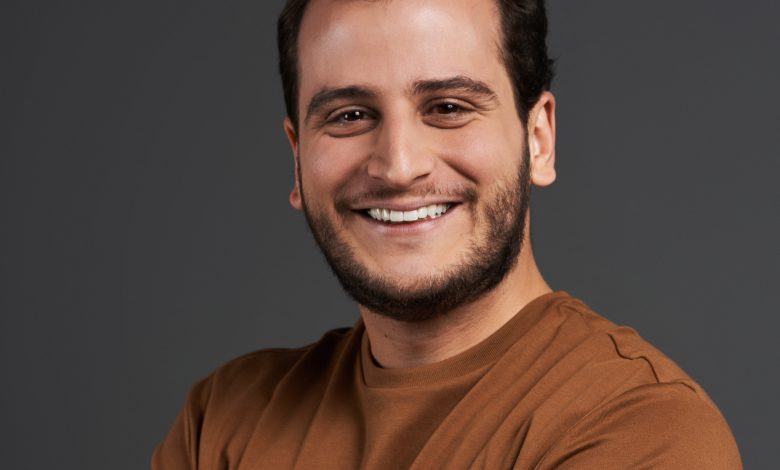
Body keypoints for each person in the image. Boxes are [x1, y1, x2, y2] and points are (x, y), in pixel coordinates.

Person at [153, 0, 742, 468]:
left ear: (538, 139)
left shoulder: (641, 430)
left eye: (449, 107)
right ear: (297, 158)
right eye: (350, 116)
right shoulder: (224, 421)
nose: (398, 165)